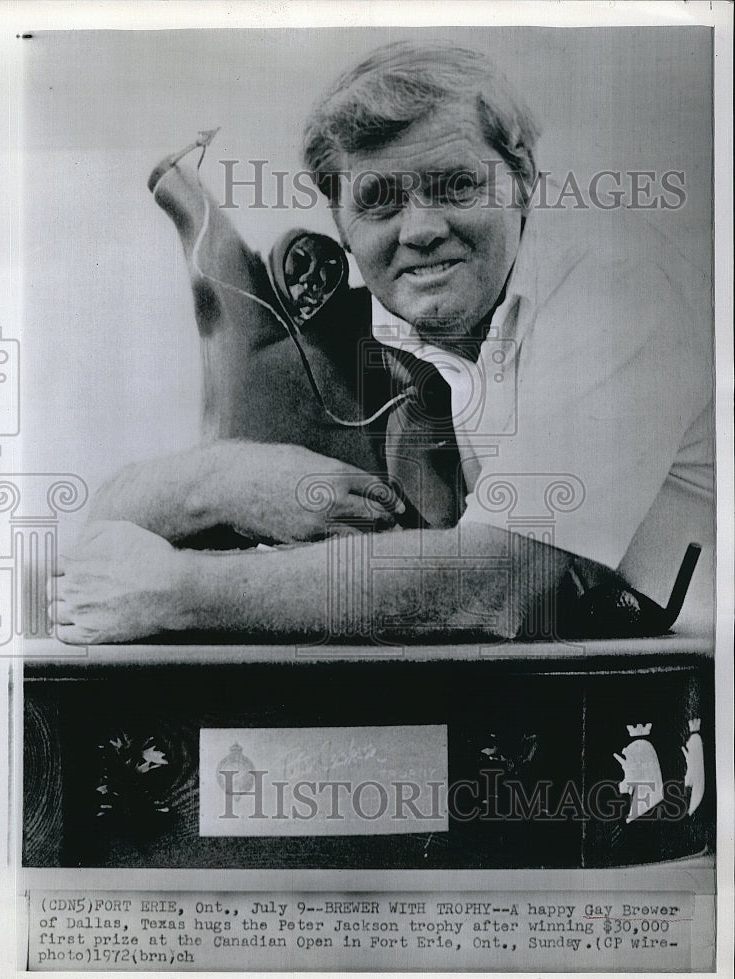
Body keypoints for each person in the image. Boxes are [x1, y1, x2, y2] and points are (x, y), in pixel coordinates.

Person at [48, 42, 714, 644]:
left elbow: (498, 580)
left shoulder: (615, 287)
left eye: (455, 185)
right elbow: (96, 535)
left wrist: (178, 593)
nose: (420, 229)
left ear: (523, 180)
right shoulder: (405, 324)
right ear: (340, 222)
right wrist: (220, 481)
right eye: (380, 201)